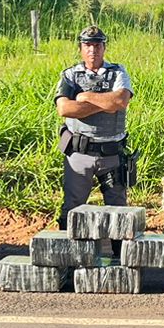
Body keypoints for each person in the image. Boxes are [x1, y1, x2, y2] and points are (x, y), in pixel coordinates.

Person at [54, 26, 133, 229]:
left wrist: (85, 97)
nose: (92, 50)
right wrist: (104, 104)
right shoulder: (70, 75)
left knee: (119, 212)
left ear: (104, 47)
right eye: (87, 45)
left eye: (97, 45)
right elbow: (64, 108)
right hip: (80, 153)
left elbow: (120, 101)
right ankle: (69, 257)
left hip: (112, 154)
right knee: (72, 208)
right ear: (80, 48)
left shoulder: (117, 72)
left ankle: (120, 256)